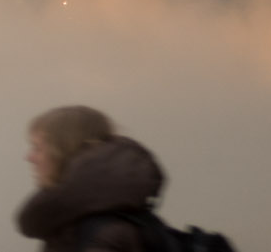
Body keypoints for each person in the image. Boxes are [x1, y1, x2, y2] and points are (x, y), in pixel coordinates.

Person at [15, 105, 166, 252]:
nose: (30, 158)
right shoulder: (83, 220)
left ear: (62, 152)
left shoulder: (101, 232)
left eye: (38, 148)